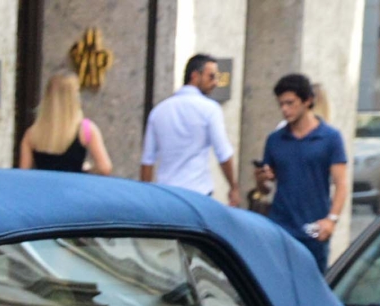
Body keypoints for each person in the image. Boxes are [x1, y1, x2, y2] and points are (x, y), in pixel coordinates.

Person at [255, 73, 349, 264]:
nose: (285, 109)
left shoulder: (330, 138)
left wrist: (331, 220)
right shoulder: (275, 139)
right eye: (281, 104)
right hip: (280, 226)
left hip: (314, 228)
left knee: (313, 286)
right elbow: (265, 188)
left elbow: (341, 183)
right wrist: (261, 179)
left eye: (290, 103)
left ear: (307, 101)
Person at [141, 53, 238, 200]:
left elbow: (147, 160)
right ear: (195, 76)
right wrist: (233, 187)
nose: (216, 83)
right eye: (211, 76)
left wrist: (144, 197)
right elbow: (223, 153)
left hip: (165, 194)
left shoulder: (159, 111)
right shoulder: (210, 109)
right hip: (198, 194)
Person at [19, 68, 115, 173]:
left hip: (43, 188)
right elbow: (105, 168)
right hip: (73, 188)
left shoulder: (32, 133)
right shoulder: (87, 130)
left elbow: (24, 173)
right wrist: (86, 171)